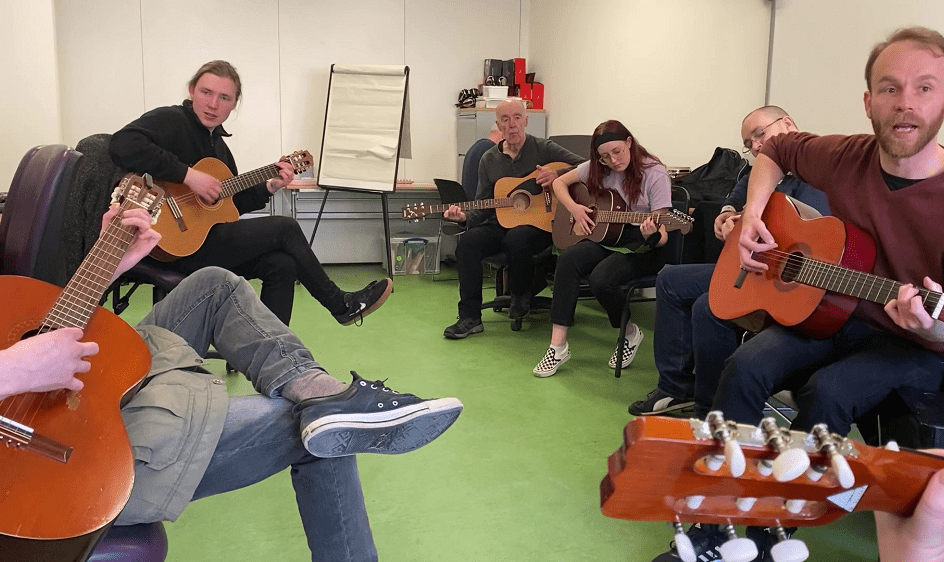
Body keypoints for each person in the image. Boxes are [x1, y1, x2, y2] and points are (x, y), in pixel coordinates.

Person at [674, 26, 944, 562]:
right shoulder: (847, 155)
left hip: (911, 346)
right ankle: (711, 522)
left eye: (924, 88)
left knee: (829, 392)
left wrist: (927, 322)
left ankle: (771, 525)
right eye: (889, 88)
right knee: (743, 367)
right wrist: (754, 212)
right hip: (832, 314)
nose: (905, 104)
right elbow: (773, 147)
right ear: (868, 101)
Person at [0, 202, 462, 562]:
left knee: (215, 284)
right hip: (50, 459)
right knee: (308, 427)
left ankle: (318, 388)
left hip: (62, 385)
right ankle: (329, 406)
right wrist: (18, 368)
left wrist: (109, 265)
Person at [109, 60, 391, 327]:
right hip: (165, 244)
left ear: (234, 104)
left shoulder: (220, 148)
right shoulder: (171, 120)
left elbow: (229, 206)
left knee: (282, 264)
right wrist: (188, 176)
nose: (213, 104)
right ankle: (340, 304)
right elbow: (122, 143)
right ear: (192, 90)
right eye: (206, 92)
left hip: (205, 243)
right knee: (285, 227)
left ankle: (271, 351)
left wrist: (270, 186)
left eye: (224, 98)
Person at [629, 106, 829, 418]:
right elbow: (738, 194)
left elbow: (809, 234)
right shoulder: (761, 169)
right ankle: (676, 388)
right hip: (750, 266)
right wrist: (726, 215)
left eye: (760, 135)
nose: (756, 146)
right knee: (669, 279)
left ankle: (711, 409)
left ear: (788, 123)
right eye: (749, 143)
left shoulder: (819, 169)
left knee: (707, 306)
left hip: (783, 277)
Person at [532, 120, 672, 377]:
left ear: (629, 142)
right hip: (609, 235)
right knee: (568, 259)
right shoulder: (599, 168)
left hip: (644, 244)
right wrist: (575, 209)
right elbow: (559, 184)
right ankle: (557, 346)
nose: (613, 161)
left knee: (601, 279)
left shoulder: (655, 173)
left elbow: (663, 235)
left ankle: (629, 332)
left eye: (617, 152)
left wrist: (651, 234)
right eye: (605, 157)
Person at [442, 98, 584, 339]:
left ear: (526, 120)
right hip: (500, 222)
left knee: (517, 238)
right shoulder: (488, 159)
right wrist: (465, 216)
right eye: (505, 120)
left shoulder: (544, 148)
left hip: (540, 223)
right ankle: (470, 317)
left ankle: (520, 295)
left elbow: (584, 165)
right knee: (468, 243)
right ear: (498, 125)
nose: (512, 125)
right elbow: (483, 205)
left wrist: (557, 174)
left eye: (517, 117)